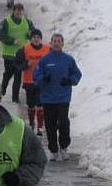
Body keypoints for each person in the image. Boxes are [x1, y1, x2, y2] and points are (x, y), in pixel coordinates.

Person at [33, 33, 82, 161]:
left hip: (63, 97)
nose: (56, 43)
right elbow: (36, 76)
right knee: (50, 124)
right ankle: (53, 150)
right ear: (50, 43)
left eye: (59, 41)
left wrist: (70, 80)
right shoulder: (44, 60)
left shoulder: (68, 60)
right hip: (48, 98)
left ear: (62, 44)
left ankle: (64, 147)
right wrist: (44, 79)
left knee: (64, 122)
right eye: (54, 41)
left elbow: (77, 74)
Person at [14, 28, 50, 136]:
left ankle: (40, 127)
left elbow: (52, 61)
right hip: (29, 81)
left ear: (41, 39)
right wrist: (26, 64)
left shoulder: (47, 49)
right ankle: (31, 124)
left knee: (40, 104)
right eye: (34, 37)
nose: (36, 39)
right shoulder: (24, 49)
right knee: (31, 105)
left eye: (38, 37)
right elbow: (17, 64)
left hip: (42, 81)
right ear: (31, 39)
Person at [0, 3, 34, 103]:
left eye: (21, 11)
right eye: (17, 11)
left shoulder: (27, 22)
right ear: (13, 11)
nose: (19, 13)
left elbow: (33, 34)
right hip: (8, 54)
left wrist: (30, 35)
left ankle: (15, 97)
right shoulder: (6, 22)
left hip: (21, 54)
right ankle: (2, 88)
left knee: (18, 77)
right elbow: (1, 35)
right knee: (8, 73)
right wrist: (12, 41)